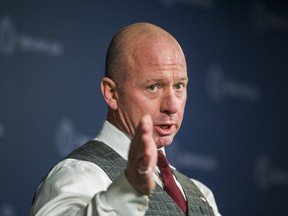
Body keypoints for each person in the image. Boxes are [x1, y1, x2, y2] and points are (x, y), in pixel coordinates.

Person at [30, 22, 221, 216]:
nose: (172, 106)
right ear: (112, 93)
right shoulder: (77, 176)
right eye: (154, 87)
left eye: (179, 86)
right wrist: (124, 193)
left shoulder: (201, 194)